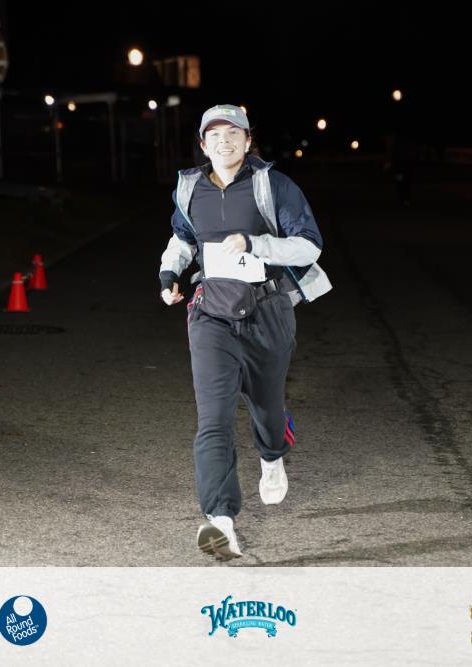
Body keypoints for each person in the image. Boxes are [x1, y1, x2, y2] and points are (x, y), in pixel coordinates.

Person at [158, 104, 331, 560]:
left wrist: (256, 243)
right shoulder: (190, 188)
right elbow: (182, 239)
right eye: (214, 135)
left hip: (267, 310)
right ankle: (220, 520)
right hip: (211, 313)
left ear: (248, 140)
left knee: (266, 409)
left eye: (233, 133)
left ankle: (272, 455)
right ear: (203, 144)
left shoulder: (273, 185)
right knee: (213, 420)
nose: (224, 141)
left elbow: (308, 246)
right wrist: (169, 274)